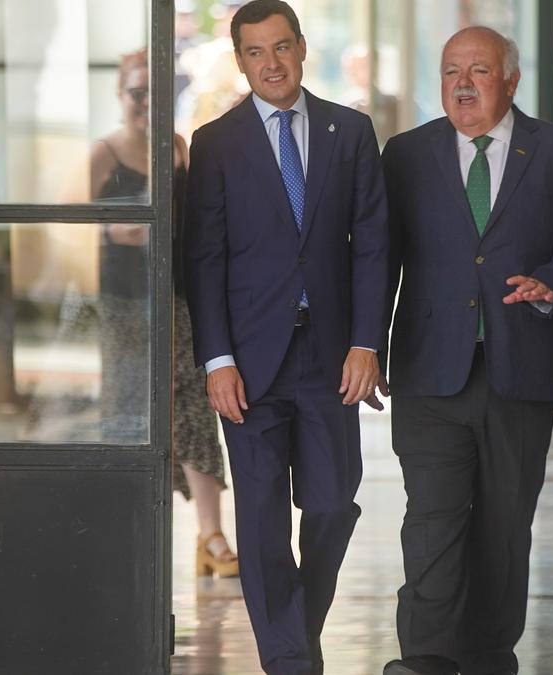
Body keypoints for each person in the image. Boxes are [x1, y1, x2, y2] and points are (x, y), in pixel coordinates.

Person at [379, 26, 553, 675]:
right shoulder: (406, 153)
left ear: (510, 80)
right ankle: (426, 655)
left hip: (521, 367)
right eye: (452, 69)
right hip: (429, 370)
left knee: (504, 523)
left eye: (478, 69)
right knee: (431, 517)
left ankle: (486, 655)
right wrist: (365, 344)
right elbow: (379, 256)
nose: (462, 82)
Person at [183, 1, 388, 673]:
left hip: (332, 357)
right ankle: (291, 660)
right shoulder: (216, 143)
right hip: (247, 359)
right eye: (254, 52)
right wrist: (215, 358)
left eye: (281, 47)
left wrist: (367, 341)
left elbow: (372, 246)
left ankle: (296, 624)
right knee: (264, 521)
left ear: (303, 49)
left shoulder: (350, 131)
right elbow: (204, 259)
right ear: (240, 60)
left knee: (333, 501)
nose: (270, 63)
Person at [89, 50, 239, 576]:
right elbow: (79, 222)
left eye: (156, 92)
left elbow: (197, 218)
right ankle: (124, 528)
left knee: (197, 407)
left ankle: (211, 535)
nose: (147, 102)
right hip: (126, 301)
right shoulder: (104, 152)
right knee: (130, 409)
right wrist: (124, 227)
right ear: (120, 94)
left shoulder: (176, 146)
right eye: (137, 92)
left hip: (178, 297)